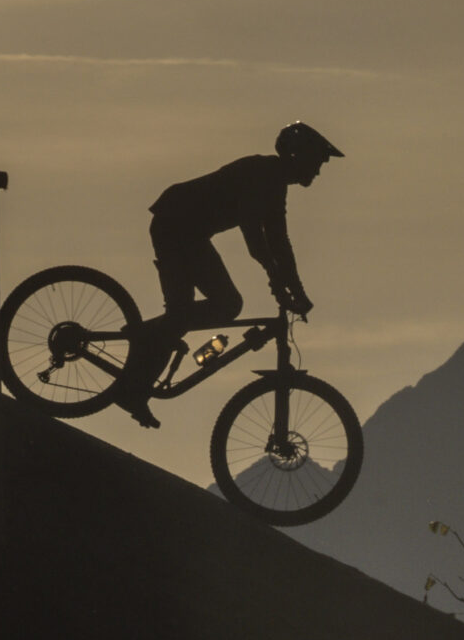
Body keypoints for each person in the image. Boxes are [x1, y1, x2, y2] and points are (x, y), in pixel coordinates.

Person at [121, 120, 344, 427]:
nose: (318, 171)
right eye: (316, 162)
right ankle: (136, 380)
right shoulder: (263, 175)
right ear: (298, 157)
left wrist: (298, 291)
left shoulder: (275, 184)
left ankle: (149, 338)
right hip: (174, 225)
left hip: (190, 233)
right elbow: (254, 236)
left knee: (221, 306)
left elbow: (280, 243)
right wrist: (277, 281)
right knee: (189, 313)